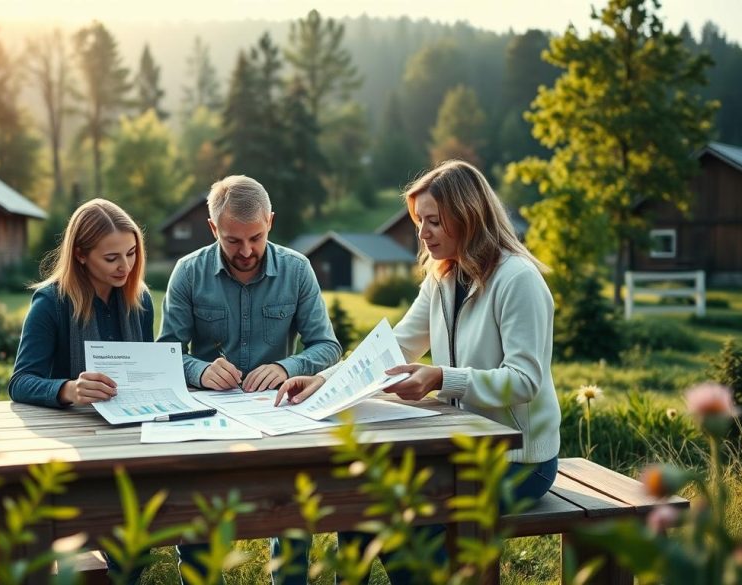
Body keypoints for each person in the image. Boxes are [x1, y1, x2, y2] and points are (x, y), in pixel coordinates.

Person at [276, 160, 562, 583]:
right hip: (460, 449)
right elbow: (392, 348)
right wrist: (325, 379)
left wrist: (441, 377)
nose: (422, 233)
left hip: (519, 460)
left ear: (467, 217)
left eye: (434, 221)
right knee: (362, 499)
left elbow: (524, 381)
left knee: (402, 523)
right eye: (419, 221)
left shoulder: (518, 280)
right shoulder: (443, 277)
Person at [158, 175, 343, 584]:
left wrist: (287, 367)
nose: (246, 252)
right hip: (208, 419)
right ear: (212, 229)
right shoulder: (188, 273)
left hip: (281, 418)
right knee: (197, 521)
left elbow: (328, 347)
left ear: (270, 222)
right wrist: (200, 370)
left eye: (255, 238)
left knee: (293, 519)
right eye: (232, 241)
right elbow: (166, 354)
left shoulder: (298, 270)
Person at [9, 198, 153, 582]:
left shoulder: (140, 299)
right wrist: (70, 389)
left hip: (132, 436)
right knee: (122, 540)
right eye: (112, 258)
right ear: (81, 255)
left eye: (131, 253)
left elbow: (147, 371)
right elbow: (20, 381)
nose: (125, 266)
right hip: (72, 444)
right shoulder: (51, 303)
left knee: (138, 545)